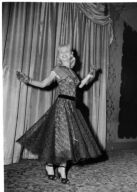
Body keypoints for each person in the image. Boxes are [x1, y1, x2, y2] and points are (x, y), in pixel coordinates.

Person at [16, 44, 103, 184]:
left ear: (71, 55)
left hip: (72, 107)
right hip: (62, 106)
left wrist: (90, 75)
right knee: (59, 137)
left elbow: (80, 85)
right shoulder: (57, 70)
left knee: (69, 138)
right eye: (60, 52)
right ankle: (50, 165)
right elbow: (44, 84)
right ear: (59, 57)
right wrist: (28, 80)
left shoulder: (73, 72)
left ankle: (62, 168)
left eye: (65, 52)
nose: (63, 54)